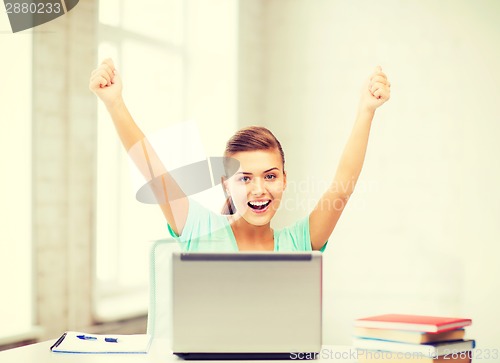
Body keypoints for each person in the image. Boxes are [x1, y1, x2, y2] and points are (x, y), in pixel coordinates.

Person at [89, 59, 391, 252]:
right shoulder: (197, 229)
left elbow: (343, 184)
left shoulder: (300, 243)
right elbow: (152, 170)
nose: (259, 190)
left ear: (285, 180)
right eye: (244, 178)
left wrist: (366, 111)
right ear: (226, 184)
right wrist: (115, 103)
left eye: (270, 176)